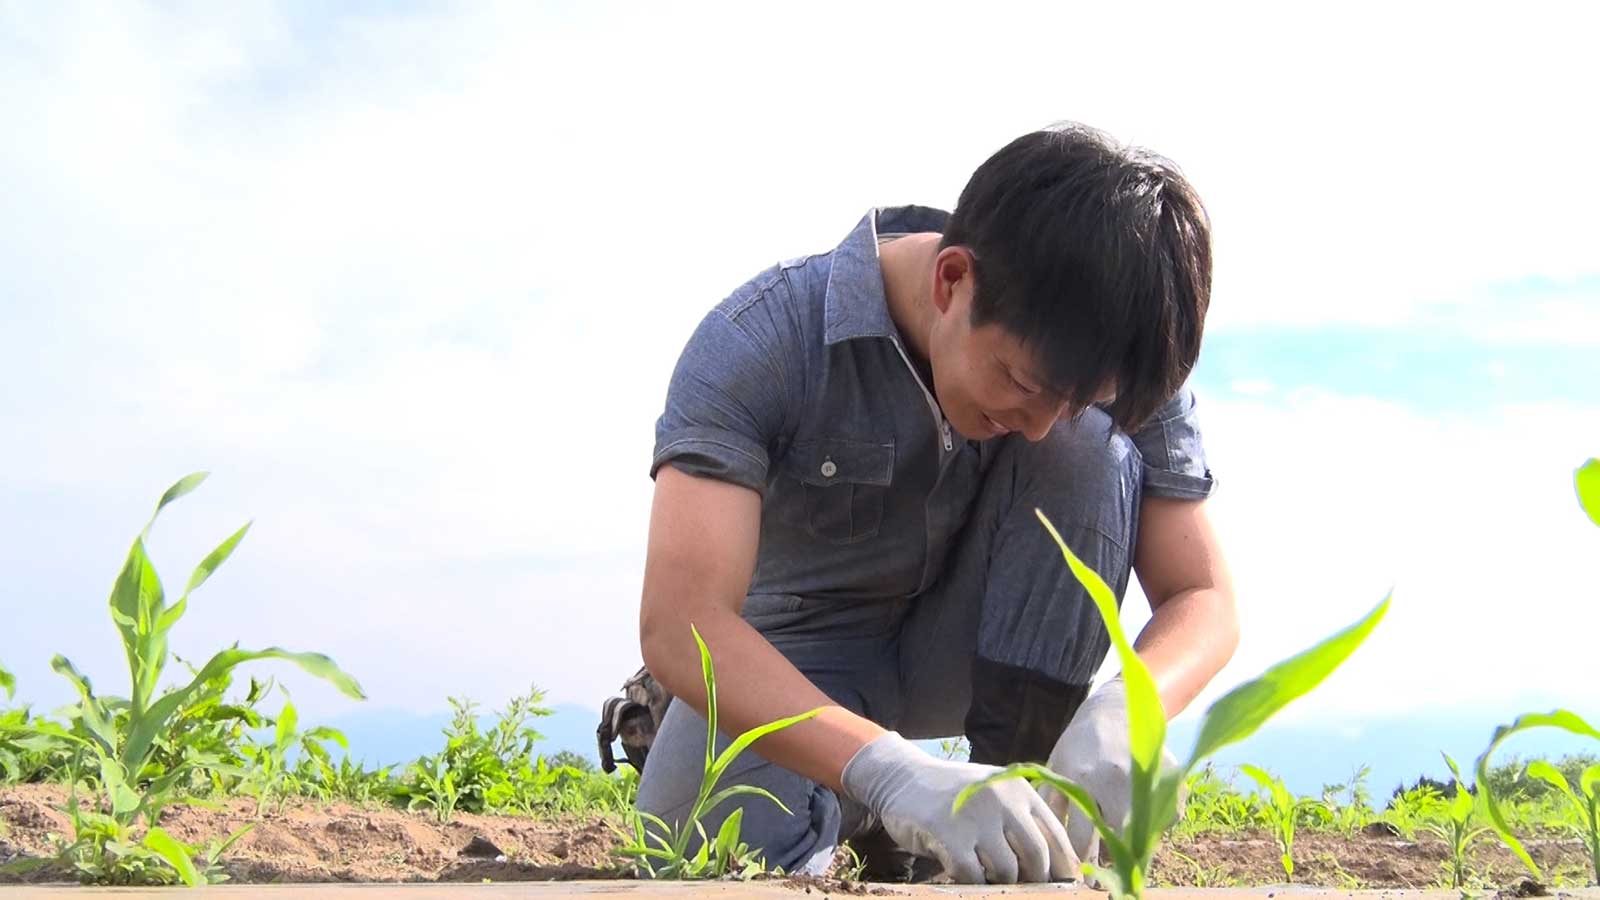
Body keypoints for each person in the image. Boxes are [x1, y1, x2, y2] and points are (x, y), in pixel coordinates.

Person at [608, 121, 1238, 884]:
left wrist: (1124, 712)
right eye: (1022, 383)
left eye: (1078, 399)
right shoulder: (762, 339)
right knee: (694, 844)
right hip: (804, 653)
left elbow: (1201, 594)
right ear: (951, 281)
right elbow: (679, 622)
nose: (1037, 423)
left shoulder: (1111, 354)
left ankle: (1013, 812)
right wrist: (888, 770)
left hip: (984, 651)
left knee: (1092, 450)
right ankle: (872, 801)